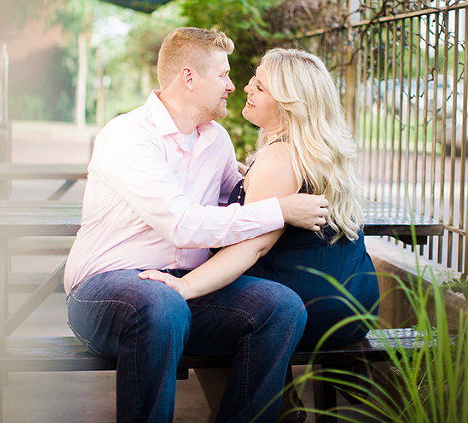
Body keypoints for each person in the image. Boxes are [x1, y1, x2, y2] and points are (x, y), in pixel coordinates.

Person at [64, 28, 331, 423]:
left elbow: (238, 199)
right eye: (223, 75)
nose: (232, 86)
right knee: (161, 305)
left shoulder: (215, 139)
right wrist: (281, 209)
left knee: (281, 307)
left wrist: (285, 169)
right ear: (189, 77)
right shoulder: (129, 137)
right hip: (107, 288)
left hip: (182, 289)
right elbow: (183, 224)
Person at [139, 48, 380, 420]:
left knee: (202, 315)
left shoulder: (279, 158)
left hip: (310, 305)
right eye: (254, 78)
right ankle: (286, 396)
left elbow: (251, 249)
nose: (246, 87)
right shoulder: (316, 150)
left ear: (289, 105)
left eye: (261, 87)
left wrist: (184, 288)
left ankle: (274, 409)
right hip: (354, 297)